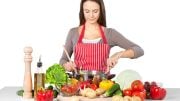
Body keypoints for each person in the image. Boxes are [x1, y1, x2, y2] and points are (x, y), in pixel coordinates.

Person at [60, 0, 144, 74]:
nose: (91, 15)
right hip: (78, 86)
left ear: (101, 11)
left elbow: (139, 50)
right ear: (82, 11)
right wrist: (66, 66)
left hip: (103, 86)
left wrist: (118, 54)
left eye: (95, 11)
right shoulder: (73, 32)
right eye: (87, 11)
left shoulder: (110, 33)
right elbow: (63, 60)